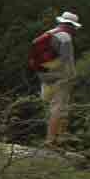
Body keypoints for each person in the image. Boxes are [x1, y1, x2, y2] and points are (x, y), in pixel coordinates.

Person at [37, 11, 81, 145]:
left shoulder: (49, 34)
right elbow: (66, 60)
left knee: (53, 107)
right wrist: (71, 76)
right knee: (59, 108)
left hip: (46, 77)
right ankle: (52, 140)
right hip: (61, 79)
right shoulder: (65, 38)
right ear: (70, 26)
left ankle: (58, 138)